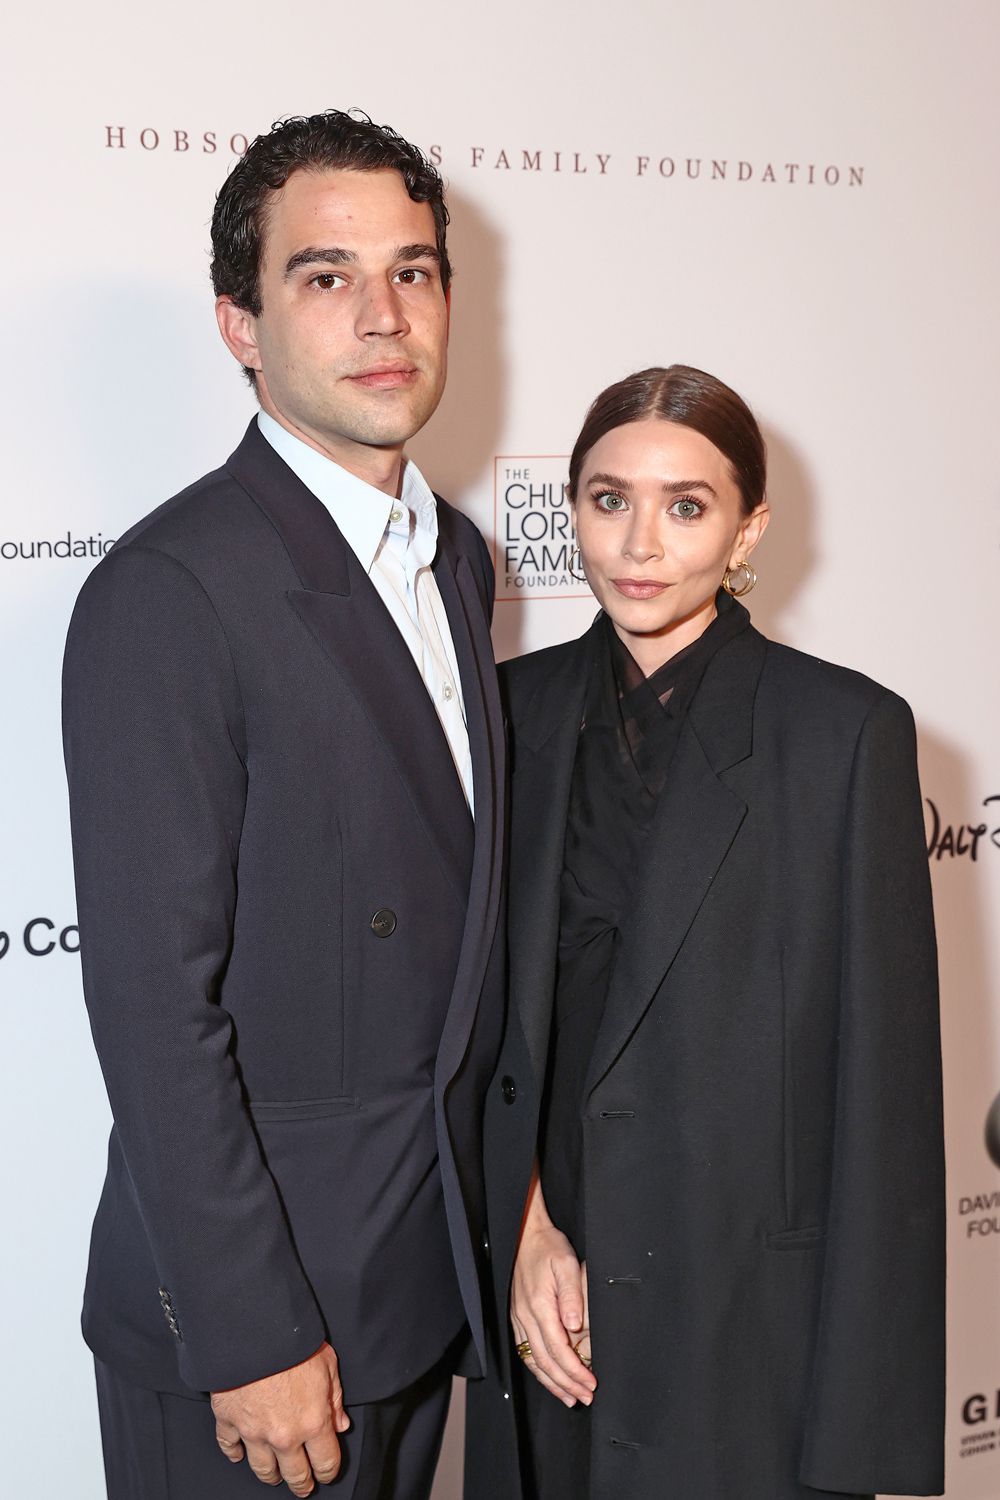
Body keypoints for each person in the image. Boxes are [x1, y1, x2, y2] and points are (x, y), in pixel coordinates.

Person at [62, 110, 505, 1500]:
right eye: (326, 277)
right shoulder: (170, 590)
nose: (384, 315)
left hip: (419, 1281)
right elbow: (151, 1005)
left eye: (415, 272)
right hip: (259, 1328)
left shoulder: (464, 562)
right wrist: (251, 1333)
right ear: (239, 325)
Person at [465, 365, 944, 1500]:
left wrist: (859, 1434)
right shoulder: (505, 717)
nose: (639, 542)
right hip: (557, 1310)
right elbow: (471, 1034)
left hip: (750, 1340)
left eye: (686, 505)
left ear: (747, 528)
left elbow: (885, 1106)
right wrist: (521, 1229)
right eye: (606, 498)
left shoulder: (842, 736)